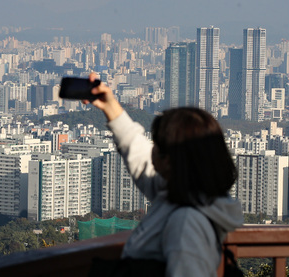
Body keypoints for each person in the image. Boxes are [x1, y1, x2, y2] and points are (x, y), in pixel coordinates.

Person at [83, 73, 245, 277]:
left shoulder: (187, 221)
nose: (151, 149)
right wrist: (110, 106)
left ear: (169, 159)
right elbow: (139, 154)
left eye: (156, 144)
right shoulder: (183, 195)